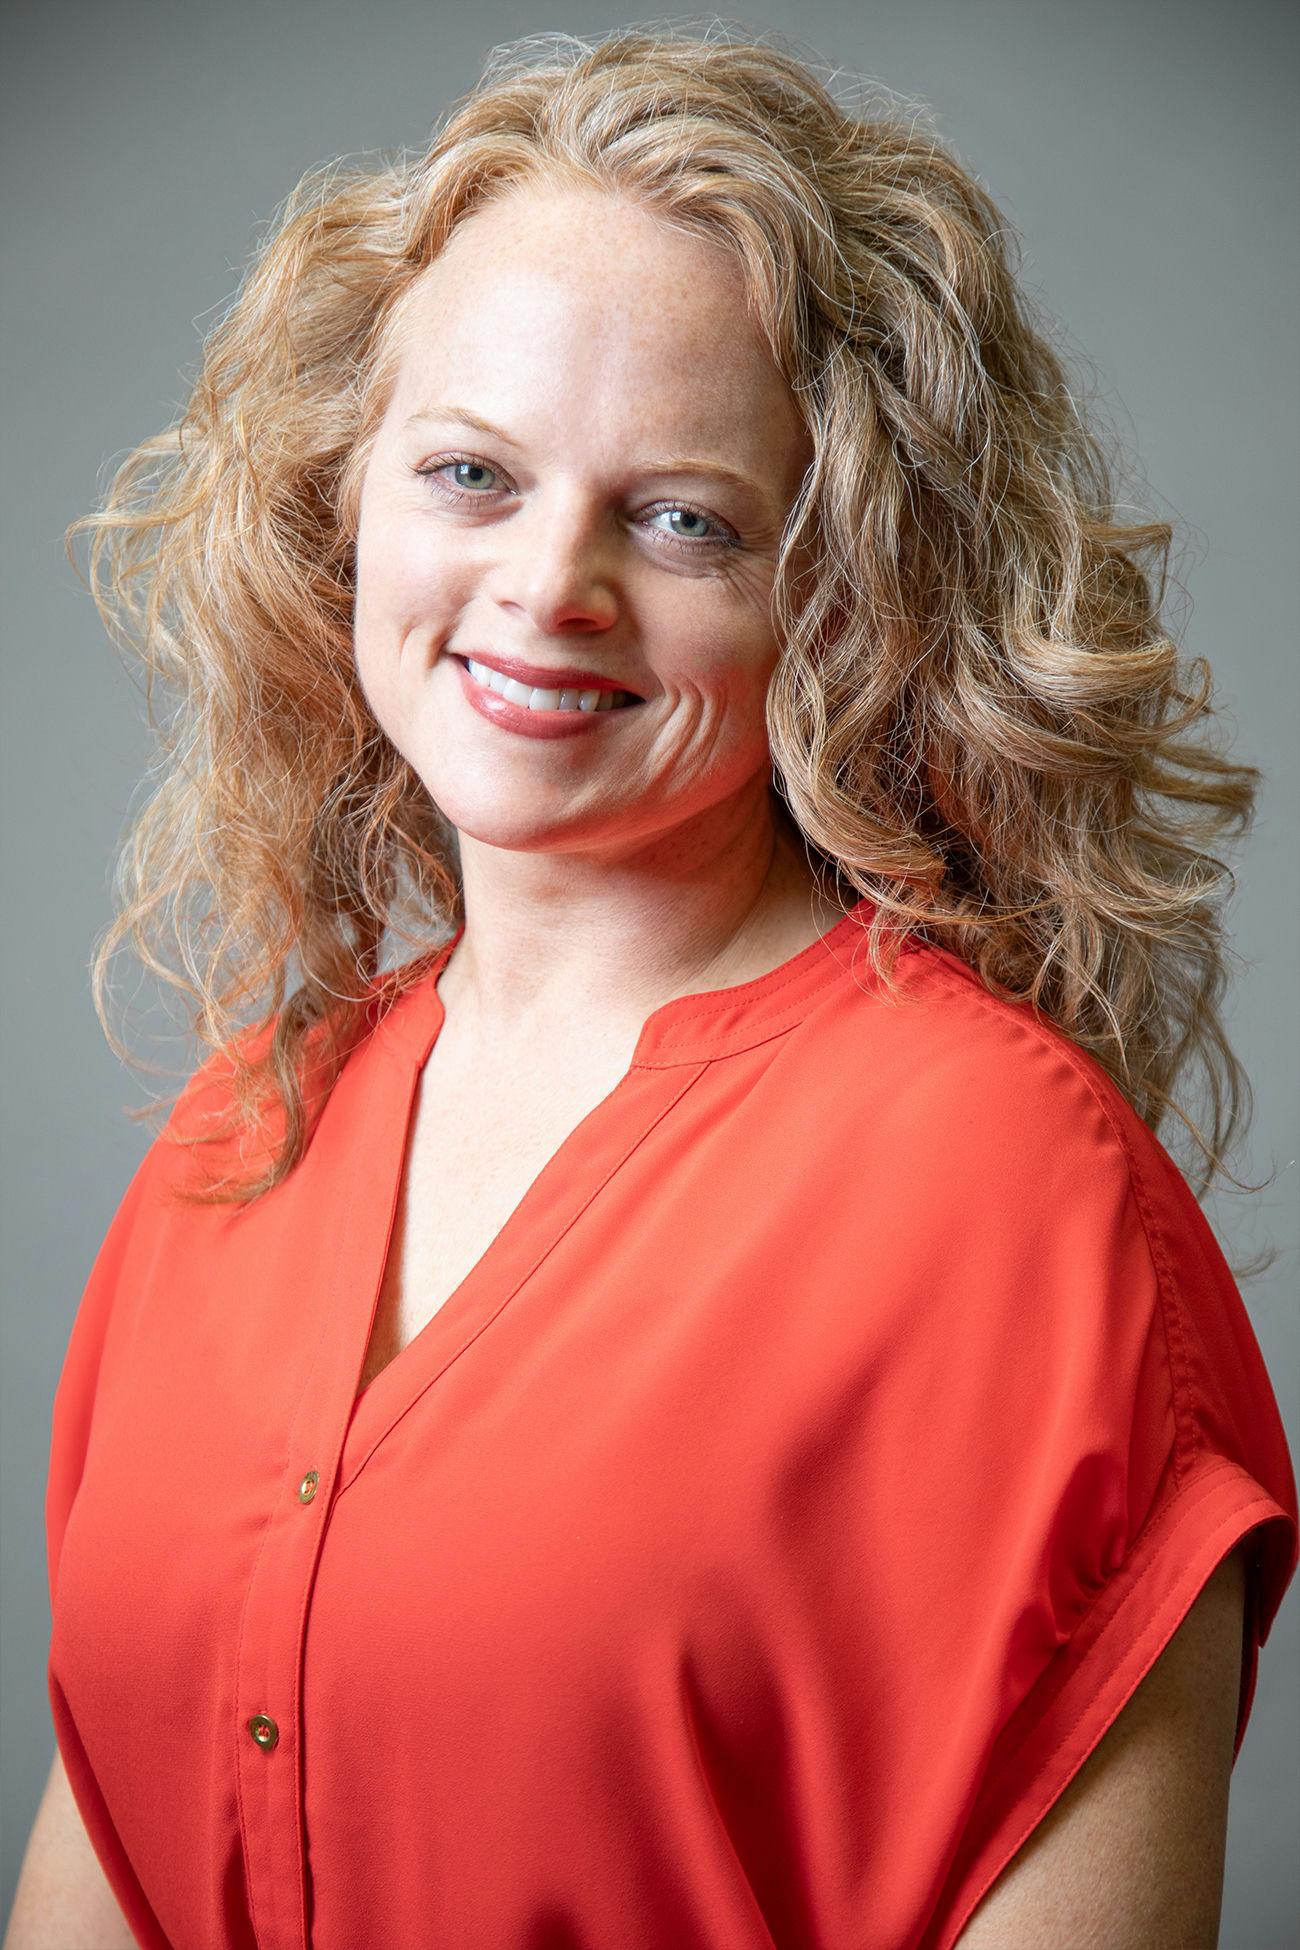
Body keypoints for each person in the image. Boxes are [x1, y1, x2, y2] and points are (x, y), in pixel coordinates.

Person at [6, 24, 1295, 1950]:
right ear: (346, 500)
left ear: (843, 587)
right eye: (470, 472)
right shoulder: (242, 1137)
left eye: (682, 515)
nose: (548, 584)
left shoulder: (1014, 1199)